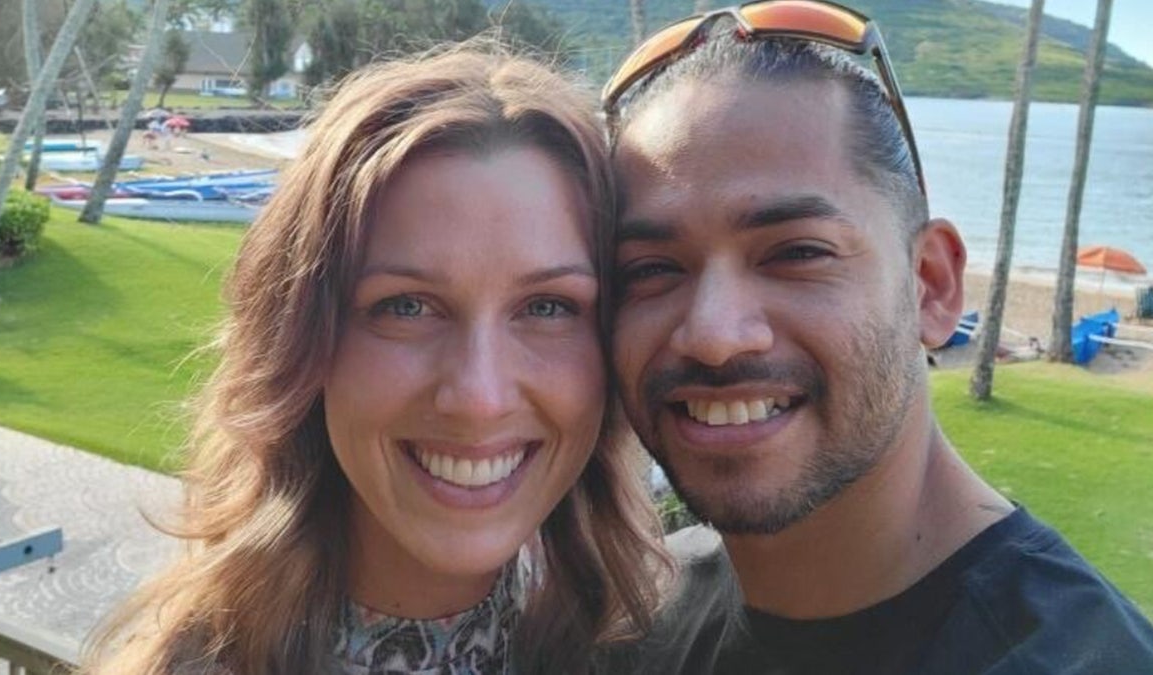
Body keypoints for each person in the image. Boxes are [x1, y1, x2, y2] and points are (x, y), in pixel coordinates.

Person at [595, 2, 1153, 673]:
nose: (713, 336)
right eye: (651, 269)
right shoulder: (634, 620)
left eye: (797, 252)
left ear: (931, 285)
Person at [82, 44, 668, 675]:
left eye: (548, 307)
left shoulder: (654, 644)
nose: (480, 397)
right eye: (407, 307)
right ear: (302, 345)